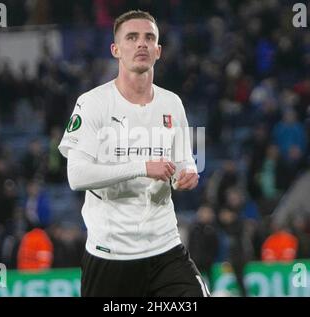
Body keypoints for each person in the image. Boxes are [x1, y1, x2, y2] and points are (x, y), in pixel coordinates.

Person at [58, 10, 209, 297]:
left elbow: (184, 160)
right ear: (116, 49)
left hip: (166, 249)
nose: (141, 44)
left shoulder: (172, 103)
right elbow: (76, 176)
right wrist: (142, 166)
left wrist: (186, 175)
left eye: (149, 38)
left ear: (158, 50)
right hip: (110, 255)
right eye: (132, 37)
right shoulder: (92, 104)